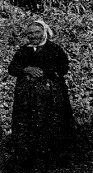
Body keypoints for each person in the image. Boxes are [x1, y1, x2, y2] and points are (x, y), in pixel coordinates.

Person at [7, 20, 76, 168]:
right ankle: (28, 160)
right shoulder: (23, 50)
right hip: (26, 97)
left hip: (50, 95)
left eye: (37, 32)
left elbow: (63, 68)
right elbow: (12, 68)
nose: (33, 36)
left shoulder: (54, 49)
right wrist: (26, 69)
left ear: (44, 32)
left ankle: (53, 160)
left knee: (51, 123)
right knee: (28, 125)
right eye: (30, 33)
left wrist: (44, 72)